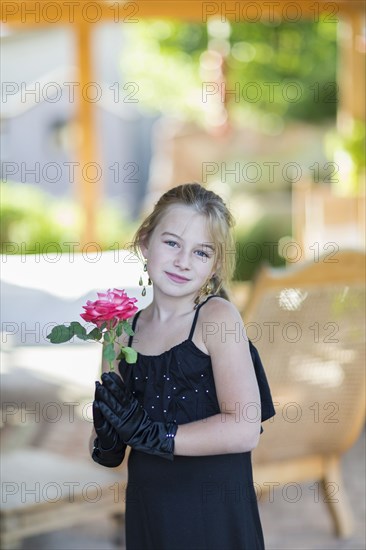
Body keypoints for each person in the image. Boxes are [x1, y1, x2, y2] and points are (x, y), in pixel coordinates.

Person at [90, 182, 276, 550]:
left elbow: (244, 428)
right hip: (150, 512)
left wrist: (152, 435)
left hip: (214, 516)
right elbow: (104, 450)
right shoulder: (119, 333)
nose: (183, 261)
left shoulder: (216, 318)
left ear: (215, 264)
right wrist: (107, 437)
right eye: (172, 243)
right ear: (145, 241)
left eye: (201, 252)